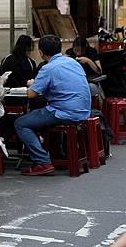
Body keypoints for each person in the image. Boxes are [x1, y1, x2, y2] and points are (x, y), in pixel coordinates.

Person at [15, 35, 91, 176]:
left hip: (64, 112)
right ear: (59, 48)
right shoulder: (73, 62)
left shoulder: (48, 68)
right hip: (83, 110)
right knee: (41, 115)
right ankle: (56, 154)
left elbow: (31, 94)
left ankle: (43, 162)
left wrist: (32, 83)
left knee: (21, 123)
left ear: (41, 52)